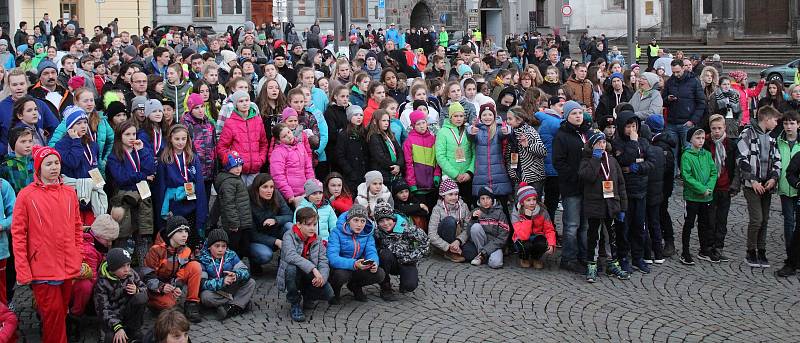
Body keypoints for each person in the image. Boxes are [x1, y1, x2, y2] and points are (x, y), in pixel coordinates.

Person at [12, 145, 83, 342]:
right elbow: (18, 235)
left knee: (61, 313)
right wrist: (23, 269)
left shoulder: (69, 193)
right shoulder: (26, 195)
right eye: (48, 164)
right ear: (38, 167)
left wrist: (78, 255)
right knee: (53, 316)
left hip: (68, 265)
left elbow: (77, 227)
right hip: (43, 268)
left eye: (57, 163)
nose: (54, 167)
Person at [577, 131, 630, 281]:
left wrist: (622, 206)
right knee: (593, 236)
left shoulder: (612, 161)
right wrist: (595, 159)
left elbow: (620, 184)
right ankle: (591, 265)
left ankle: (612, 263)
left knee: (610, 237)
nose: (602, 145)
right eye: (598, 142)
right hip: (594, 205)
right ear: (592, 145)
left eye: (603, 142)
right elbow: (586, 177)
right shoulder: (586, 160)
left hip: (611, 204)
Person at [736, 106, 782, 268]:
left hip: (766, 183)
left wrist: (774, 178)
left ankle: (761, 250)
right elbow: (742, 158)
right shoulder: (747, 133)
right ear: (766, 119)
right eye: (775, 120)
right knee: (757, 219)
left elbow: (777, 159)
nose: (777, 123)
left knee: (765, 220)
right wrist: (753, 180)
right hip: (752, 184)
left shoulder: (771, 137)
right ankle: (751, 251)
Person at [611, 110, 656, 273]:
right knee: (624, 228)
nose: (631, 130)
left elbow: (651, 163)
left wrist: (637, 167)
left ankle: (638, 257)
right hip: (625, 192)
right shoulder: (617, 143)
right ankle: (623, 257)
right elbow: (622, 161)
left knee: (639, 226)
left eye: (634, 126)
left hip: (641, 191)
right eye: (628, 126)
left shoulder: (644, 142)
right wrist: (633, 144)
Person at [552, 100, 591, 273]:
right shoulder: (562, 135)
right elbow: (558, 162)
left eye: (580, 113)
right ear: (567, 116)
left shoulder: (587, 133)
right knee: (572, 224)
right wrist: (576, 176)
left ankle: (584, 256)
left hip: (587, 186)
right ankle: (568, 257)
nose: (578, 116)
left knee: (585, 225)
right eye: (574, 114)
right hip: (571, 187)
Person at [142, 216, 203, 323]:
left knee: (195, 266)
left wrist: (177, 286)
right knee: (169, 305)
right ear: (171, 234)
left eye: (186, 231)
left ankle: (192, 303)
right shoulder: (156, 250)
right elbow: (147, 275)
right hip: (155, 287)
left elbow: (182, 270)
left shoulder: (186, 250)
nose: (185, 235)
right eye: (180, 231)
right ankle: (152, 302)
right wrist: (161, 287)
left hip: (170, 284)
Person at [155, 125, 208, 249]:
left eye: (183, 139)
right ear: (170, 139)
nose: (180, 142)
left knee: (190, 240)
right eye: (177, 139)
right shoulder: (165, 159)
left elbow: (199, 185)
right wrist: (161, 213)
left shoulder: (193, 158)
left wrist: (202, 213)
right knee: (175, 241)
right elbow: (161, 188)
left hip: (191, 205)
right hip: (174, 207)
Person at [327, 204, 385, 302]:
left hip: (358, 265)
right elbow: (332, 258)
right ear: (349, 221)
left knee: (380, 274)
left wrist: (374, 262)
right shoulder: (336, 232)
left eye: (363, 221)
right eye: (356, 220)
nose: (359, 224)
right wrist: (354, 264)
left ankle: (355, 286)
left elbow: (371, 251)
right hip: (340, 267)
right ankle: (335, 290)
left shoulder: (367, 234)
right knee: (341, 275)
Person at [372, 201, 428, 301]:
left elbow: (425, 242)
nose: (385, 223)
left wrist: (412, 257)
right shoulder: (376, 232)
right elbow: (372, 248)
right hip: (389, 261)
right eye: (381, 221)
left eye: (388, 219)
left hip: (407, 261)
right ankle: (385, 286)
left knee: (410, 286)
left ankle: (404, 282)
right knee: (384, 255)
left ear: (393, 218)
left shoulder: (408, 228)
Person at [93, 248, 149, 343]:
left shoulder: (131, 273)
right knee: (110, 339)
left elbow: (145, 289)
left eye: (128, 265)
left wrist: (137, 290)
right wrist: (117, 327)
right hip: (112, 319)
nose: (127, 270)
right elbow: (103, 310)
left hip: (128, 313)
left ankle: (134, 329)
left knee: (141, 297)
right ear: (112, 268)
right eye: (122, 266)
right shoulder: (102, 283)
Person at [680, 127, 718, 266]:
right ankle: (685, 251)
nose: (701, 141)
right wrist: (701, 189)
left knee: (705, 223)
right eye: (698, 138)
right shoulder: (687, 155)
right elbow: (687, 176)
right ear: (691, 140)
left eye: (702, 138)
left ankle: (704, 249)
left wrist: (709, 188)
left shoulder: (706, 155)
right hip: (692, 197)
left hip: (706, 197)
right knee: (689, 224)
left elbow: (714, 172)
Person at [198, 229, 256, 320]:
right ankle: (239, 304)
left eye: (223, 246)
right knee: (205, 297)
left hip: (230, 288)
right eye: (217, 246)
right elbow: (203, 284)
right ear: (209, 247)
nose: (220, 249)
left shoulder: (231, 255)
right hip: (215, 292)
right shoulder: (203, 259)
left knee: (251, 282)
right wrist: (222, 281)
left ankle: (231, 306)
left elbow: (245, 271)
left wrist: (236, 275)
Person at [704, 114, 738, 263]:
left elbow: (736, 167)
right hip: (710, 187)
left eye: (719, 128)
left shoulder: (730, 145)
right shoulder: (705, 143)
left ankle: (719, 247)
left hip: (725, 186)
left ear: (724, 128)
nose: (717, 131)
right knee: (710, 219)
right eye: (714, 129)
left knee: (722, 220)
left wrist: (734, 186)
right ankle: (708, 247)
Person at [216, 91, 268, 186]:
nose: (245, 103)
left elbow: (263, 143)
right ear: (236, 104)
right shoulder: (230, 122)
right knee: (241, 198)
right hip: (238, 170)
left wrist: (261, 159)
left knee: (254, 197)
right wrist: (233, 163)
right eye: (241, 101)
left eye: (247, 100)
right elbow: (222, 147)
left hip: (255, 168)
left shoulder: (258, 120)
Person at [662, 59, 706, 170]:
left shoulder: (694, 81)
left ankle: (688, 175)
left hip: (687, 123)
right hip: (672, 122)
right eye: (673, 72)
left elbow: (701, 103)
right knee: (672, 152)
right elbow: (663, 100)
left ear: (683, 68)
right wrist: (667, 99)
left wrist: (693, 121)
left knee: (688, 152)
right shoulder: (670, 82)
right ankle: (674, 176)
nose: (676, 74)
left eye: (678, 72)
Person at [436, 102, 475, 205]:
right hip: (451, 178)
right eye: (456, 116)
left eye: (461, 116)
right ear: (450, 117)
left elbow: (474, 153)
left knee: (467, 205)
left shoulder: (468, 130)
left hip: (467, 177)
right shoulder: (442, 132)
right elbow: (440, 156)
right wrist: (455, 174)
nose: (459, 119)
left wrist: (469, 172)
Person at [215, 151, 253, 255]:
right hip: (235, 226)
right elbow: (229, 205)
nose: (238, 168)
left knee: (243, 248)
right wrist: (234, 224)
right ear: (227, 167)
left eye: (240, 165)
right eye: (234, 166)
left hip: (242, 223)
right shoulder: (229, 182)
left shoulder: (235, 179)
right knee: (235, 250)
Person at [427, 178, 471, 262]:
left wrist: (459, 241)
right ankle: (448, 252)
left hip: (458, 238)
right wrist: (447, 247)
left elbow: (467, 228)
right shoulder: (437, 209)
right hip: (444, 240)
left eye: (456, 194)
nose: (454, 197)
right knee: (450, 221)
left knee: (470, 255)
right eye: (450, 194)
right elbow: (431, 234)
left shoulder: (464, 206)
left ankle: (455, 248)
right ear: (443, 195)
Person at [465, 187, 510, 268]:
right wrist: (473, 219)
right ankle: (482, 255)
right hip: (481, 242)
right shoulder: (475, 211)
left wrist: (486, 250)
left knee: (496, 263)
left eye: (488, 198)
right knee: (475, 227)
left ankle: (482, 255)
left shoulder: (500, 213)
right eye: (482, 198)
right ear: (479, 200)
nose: (485, 201)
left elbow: (503, 236)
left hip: (495, 244)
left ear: (492, 200)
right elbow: (469, 233)